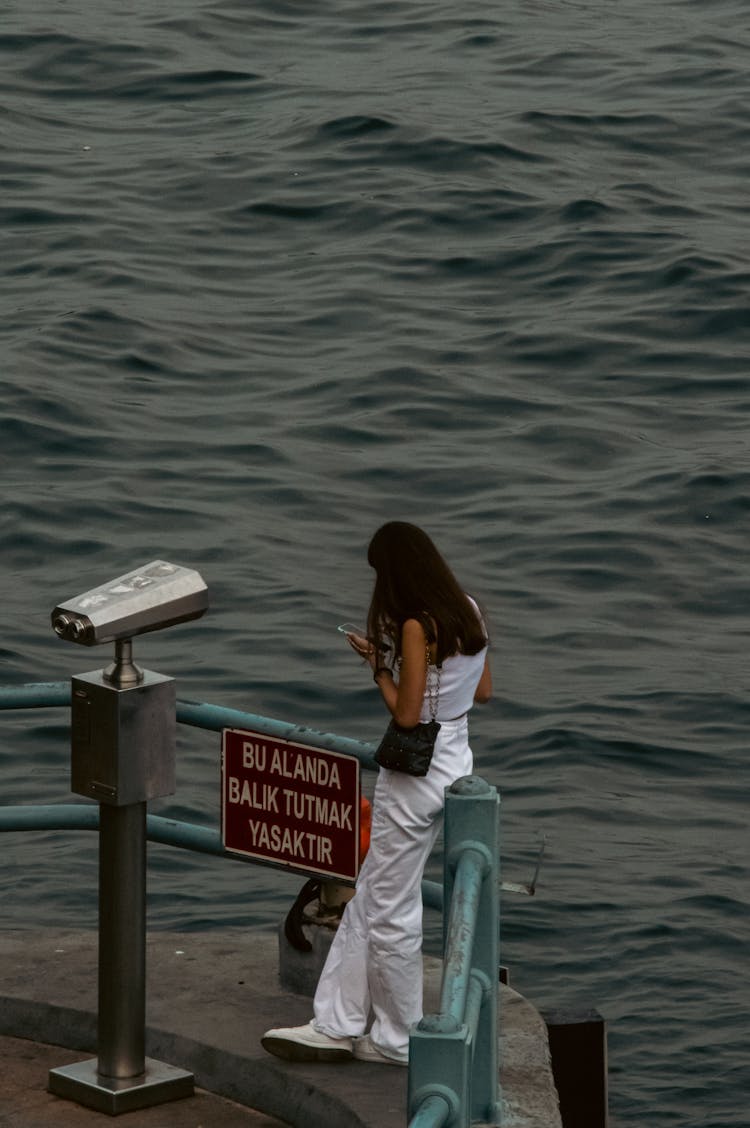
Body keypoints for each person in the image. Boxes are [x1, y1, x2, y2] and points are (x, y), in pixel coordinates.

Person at [261, 521, 491, 1066]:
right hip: (456, 759)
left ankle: (396, 1039)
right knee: (377, 893)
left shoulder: (418, 624)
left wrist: (380, 670)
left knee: (389, 905)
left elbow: (406, 714)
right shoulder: (469, 609)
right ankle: (338, 1022)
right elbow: (482, 691)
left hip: (414, 774)